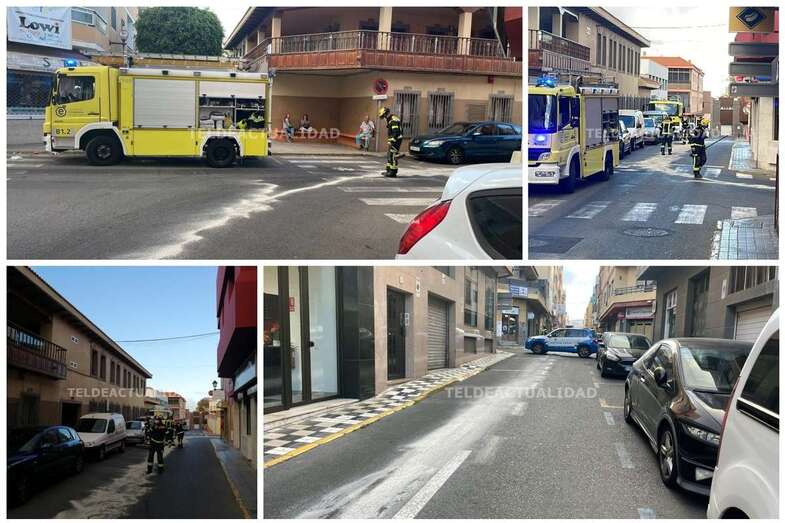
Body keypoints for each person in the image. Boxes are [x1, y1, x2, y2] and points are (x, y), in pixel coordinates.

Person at [378, 106, 402, 177]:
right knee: (389, 155)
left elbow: (396, 132)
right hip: (394, 140)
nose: (383, 118)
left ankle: (393, 172)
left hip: (396, 140)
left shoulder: (393, 120)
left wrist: (392, 140)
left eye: (383, 116)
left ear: (385, 114)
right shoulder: (390, 119)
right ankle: (388, 170)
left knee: (393, 155)